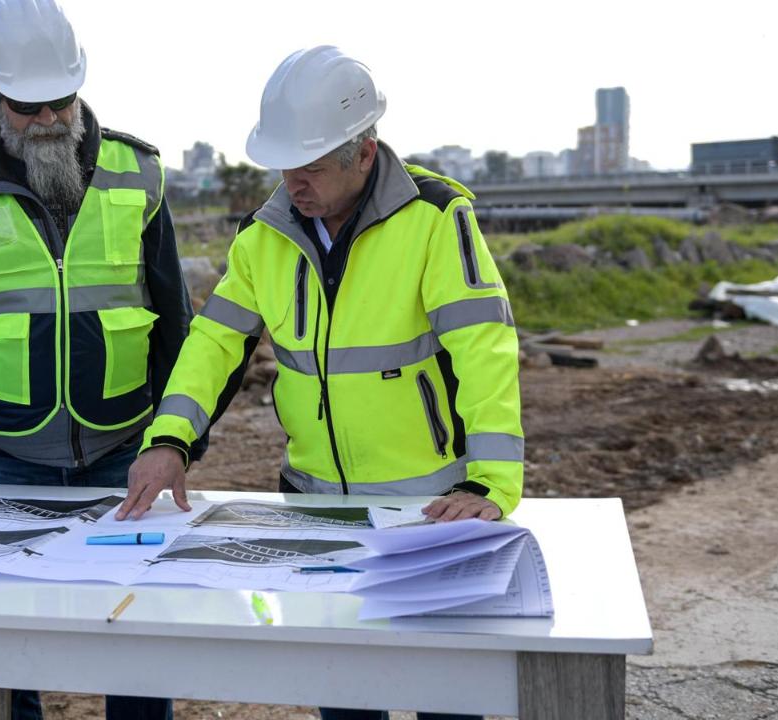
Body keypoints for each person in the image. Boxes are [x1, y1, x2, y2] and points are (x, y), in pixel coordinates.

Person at [118, 46, 523, 720]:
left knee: (446, 699)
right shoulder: (262, 239)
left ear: (363, 153)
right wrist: (169, 440)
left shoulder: (435, 219)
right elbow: (214, 345)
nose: (291, 183)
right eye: (284, 166)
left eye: (309, 168)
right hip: (314, 511)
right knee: (345, 696)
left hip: (429, 513)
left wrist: (489, 483)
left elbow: (486, 350)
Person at [0, 1, 197, 718]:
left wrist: (180, 439)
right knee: (6, 651)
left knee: (135, 633)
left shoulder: (139, 174)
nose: (48, 121)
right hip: (4, 457)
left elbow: (176, 326)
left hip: (123, 453)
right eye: (29, 107)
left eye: (59, 103)